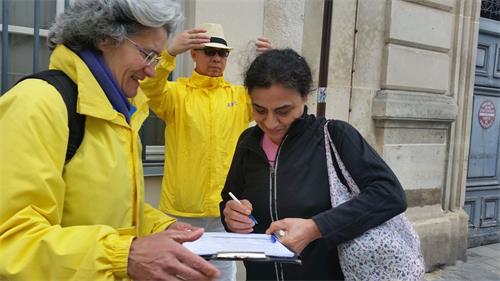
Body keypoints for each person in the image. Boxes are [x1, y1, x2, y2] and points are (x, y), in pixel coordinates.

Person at [0, 1, 220, 280]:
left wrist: (162, 228)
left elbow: (113, 210)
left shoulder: (121, 113)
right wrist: (123, 255)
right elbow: (10, 242)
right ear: (104, 37)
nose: (152, 71)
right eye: (148, 55)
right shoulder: (37, 103)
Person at [220, 49, 408, 280]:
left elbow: (389, 195)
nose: (270, 122)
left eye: (283, 111)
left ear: (305, 97)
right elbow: (229, 201)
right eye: (259, 110)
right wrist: (231, 216)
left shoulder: (335, 136)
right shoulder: (248, 142)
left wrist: (315, 228)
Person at [140, 23, 272, 280]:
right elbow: (148, 88)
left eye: (222, 53)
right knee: (178, 272)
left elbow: (272, 100)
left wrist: (272, 64)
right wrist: (168, 54)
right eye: (209, 51)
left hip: (226, 208)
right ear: (194, 54)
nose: (216, 58)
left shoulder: (239, 95)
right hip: (181, 208)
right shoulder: (176, 93)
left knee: (220, 273)